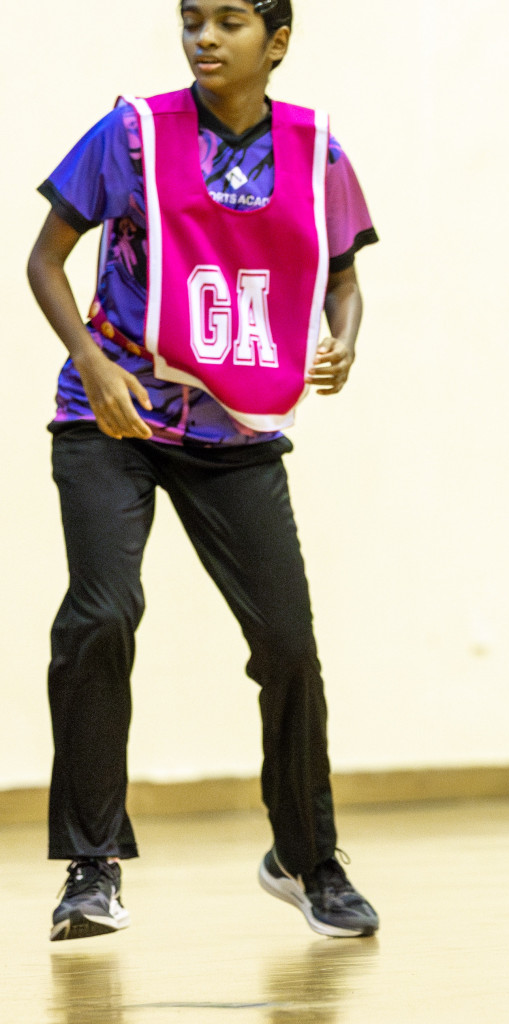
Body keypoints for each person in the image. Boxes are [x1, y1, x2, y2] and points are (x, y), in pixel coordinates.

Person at [26, 0, 379, 941]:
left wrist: (343, 342)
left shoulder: (315, 150)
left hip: (236, 426)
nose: (205, 38)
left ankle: (308, 859)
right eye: (193, 19)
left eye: (229, 20)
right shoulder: (133, 132)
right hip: (113, 414)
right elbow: (45, 261)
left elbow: (344, 277)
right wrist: (94, 365)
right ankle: (90, 866)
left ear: (278, 40)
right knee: (101, 614)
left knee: (289, 645)